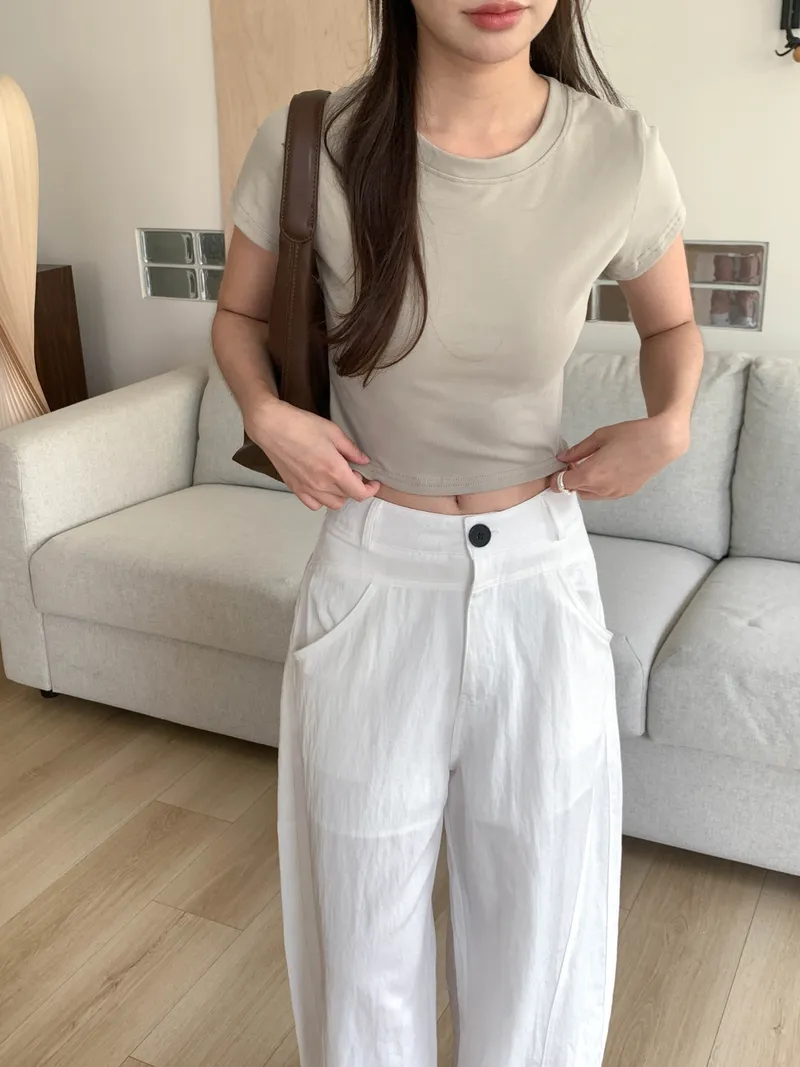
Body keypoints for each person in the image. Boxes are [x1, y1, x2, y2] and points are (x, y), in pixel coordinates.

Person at [212, 1, 703, 1064]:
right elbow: (240, 316)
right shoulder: (313, 144)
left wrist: (667, 426)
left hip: (540, 578)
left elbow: (670, 322)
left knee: (541, 925)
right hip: (373, 568)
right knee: (359, 928)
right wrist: (266, 413)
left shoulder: (616, 151)